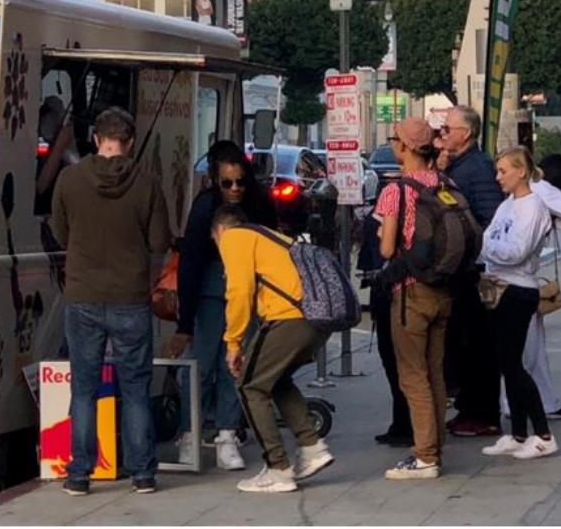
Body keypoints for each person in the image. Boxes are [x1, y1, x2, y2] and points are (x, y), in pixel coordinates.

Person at [51, 107, 171, 497]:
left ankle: (80, 474)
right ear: (130, 141)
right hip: (131, 296)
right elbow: (159, 242)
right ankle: (142, 474)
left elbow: (60, 232)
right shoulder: (147, 184)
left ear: (95, 138)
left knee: (84, 388)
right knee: (135, 387)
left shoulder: (69, 180)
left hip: (82, 294)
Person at [169, 141, 277, 470]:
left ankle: (228, 434)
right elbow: (190, 264)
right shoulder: (204, 209)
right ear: (215, 180)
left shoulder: (259, 204)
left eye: (240, 181)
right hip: (208, 294)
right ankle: (191, 433)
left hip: (247, 292)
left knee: (234, 366)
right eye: (227, 182)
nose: (234, 188)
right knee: (201, 365)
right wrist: (184, 324)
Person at [213, 204, 333, 494]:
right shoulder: (269, 236)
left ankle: (277, 468)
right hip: (315, 318)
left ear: (219, 230)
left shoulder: (234, 237)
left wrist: (233, 343)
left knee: (249, 386)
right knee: (276, 379)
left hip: (288, 317)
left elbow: (239, 292)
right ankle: (312, 446)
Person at [376, 117, 451, 480]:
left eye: (394, 139)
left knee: (412, 375)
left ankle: (424, 456)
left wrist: (380, 236)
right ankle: (435, 448)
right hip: (442, 290)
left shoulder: (396, 191)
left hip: (409, 292)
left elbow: (389, 248)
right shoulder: (444, 183)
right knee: (435, 373)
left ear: (403, 146)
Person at [480, 147, 560, 460]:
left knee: (514, 365)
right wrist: (491, 249)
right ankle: (518, 432)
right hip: (499, 287)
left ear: (521, 171)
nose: (498, 177)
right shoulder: (507, 205)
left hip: (518, 290)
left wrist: (491, 250)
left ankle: (543, 433)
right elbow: (487, 238)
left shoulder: (533, 207)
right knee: (505, 363)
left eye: (503, 171)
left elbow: (517, 251)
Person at [437, 105, 505, 440]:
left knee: (478, 345)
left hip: (475, 269)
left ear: (466, 133)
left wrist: (466, 242)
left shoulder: (478, 168)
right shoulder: (457, 165)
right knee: (462, 345)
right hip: (460, 267)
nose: (442, 133)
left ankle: (484, 414)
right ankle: (468, 409)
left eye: (448, 129)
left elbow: (490, 219)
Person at [498, 153, 561, 424]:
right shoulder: (545, 191)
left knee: (534, 345)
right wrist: (555, 220)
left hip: (509, 278)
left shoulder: (522, 195)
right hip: (518, 280)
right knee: (526, 351)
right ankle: (521, 409)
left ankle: (544, 401)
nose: (499, 177)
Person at [357, 199, 412, 447]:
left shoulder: (390, 213)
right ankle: (401, 423)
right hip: (390, 290)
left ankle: (406, 425)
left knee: (398, 362)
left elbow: (381, 252)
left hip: (393, 291)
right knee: (395, 362)